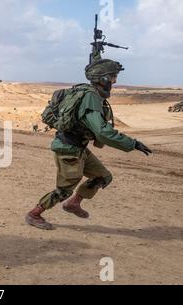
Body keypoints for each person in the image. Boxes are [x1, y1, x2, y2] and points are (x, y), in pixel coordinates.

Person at [26, 59, 153, 230]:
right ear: (103, 78)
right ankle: (34, 214)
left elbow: (96, 67)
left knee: (102, 177)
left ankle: (73, 204)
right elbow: (102, 132)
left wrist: (96, 52)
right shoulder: (91, 97)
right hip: (68, 149)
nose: (114, 82)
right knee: (64, 190)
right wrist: (133, 144)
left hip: (79, 148)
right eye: (112, 78)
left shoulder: (88, 90)